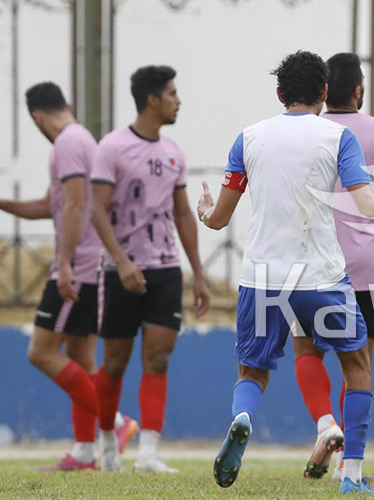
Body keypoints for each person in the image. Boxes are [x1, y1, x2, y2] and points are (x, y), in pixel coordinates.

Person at [198, 50, 374, 494]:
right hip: (321, 278)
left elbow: (219, 219)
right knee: (357, 366)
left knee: (252, 373)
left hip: (261, 278)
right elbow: (367, 203)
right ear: (324, 93)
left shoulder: (248, 138)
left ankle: (242, 418)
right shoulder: (336, 138)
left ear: (279, 94)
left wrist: (204, 210)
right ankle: (350, 474)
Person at [0, 82, 137, 470]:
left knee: (41, 352)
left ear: (36, 117)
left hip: (79, 265)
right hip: (92, 265)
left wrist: (62, 263)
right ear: (68, 105)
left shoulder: (66, 144)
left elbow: (77, 205)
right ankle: (84, 451)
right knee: (79, 355)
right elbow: (51, 205)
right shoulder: (80, 140)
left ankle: (116, 422)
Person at [90, 65, 210, 473]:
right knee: (116, 363)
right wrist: (121, 262)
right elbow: (96, 211)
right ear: (153, 100)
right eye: (173, 93)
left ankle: (148, 454)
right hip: (120, 272)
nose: (179, 101)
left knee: (157, 360)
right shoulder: (112, 147)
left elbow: (182, 214)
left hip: (165, 270)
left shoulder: (174, 152)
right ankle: (106, 440)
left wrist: (197, 273)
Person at [291, 52, 374, 480]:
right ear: (359, 90)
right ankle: (349, 465)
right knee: (360, 364)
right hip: (366, 262)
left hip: (313, 259)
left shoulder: (302, 132)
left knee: (306, 349)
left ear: (324, 90)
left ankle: (324, 423)